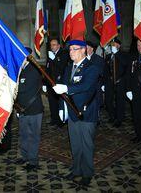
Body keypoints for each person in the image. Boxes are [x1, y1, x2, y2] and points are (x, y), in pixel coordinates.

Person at [52, 40, 99, 186]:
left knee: (87, 144)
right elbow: (63, 92)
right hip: (72, 112)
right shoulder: (68, 68)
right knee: (75, 144)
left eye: (74, 49)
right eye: (70, 49)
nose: (71, 52)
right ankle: (77, 169)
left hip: (86, 112)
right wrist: (61, 108)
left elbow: (85, 85)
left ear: (83, 50)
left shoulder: (91, 67)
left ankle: (87, 173)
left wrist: (66, 88)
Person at [15, 47, 44, 171]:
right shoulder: (20, 69)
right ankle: (25, 156)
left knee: (33, 135)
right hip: (22, 109)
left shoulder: (33, 69)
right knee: (24, 134)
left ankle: (33, 161)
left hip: (33, 109)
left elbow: (23, 88)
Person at [104, 38, 130, 127]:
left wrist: (117, 53)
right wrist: (105, 81)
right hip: (110, 82)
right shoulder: (108, 56)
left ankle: (119, 119)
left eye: (114, 44)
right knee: (108, 100)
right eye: (111, 45)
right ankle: (112, 116)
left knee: (120, 101)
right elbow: (106, 70)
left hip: (120, 81)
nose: (112, 46)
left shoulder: (124, 54)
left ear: (118, 45)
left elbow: (125, 63)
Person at [45, 38, 69, 126]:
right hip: (51, 83)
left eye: (54, 45)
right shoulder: (50, 55)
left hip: (60, 82)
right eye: (51, 45)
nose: (52, 47)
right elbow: (47, 70)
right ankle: (54, 119)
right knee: (52, 102)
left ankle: (60, 120)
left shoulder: (64, 53)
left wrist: (54, 58)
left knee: (60, 102)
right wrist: (45, 83)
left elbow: (62, 67)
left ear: (59, 45)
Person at [86, 40, 105, 124]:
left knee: (96, 102)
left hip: (96, 84)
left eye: (87, 47)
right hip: (86, 85)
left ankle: (96, 118)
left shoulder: (98, 59)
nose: (85, 49)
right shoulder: (82, 58)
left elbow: (100, 72)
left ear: (92, 49)